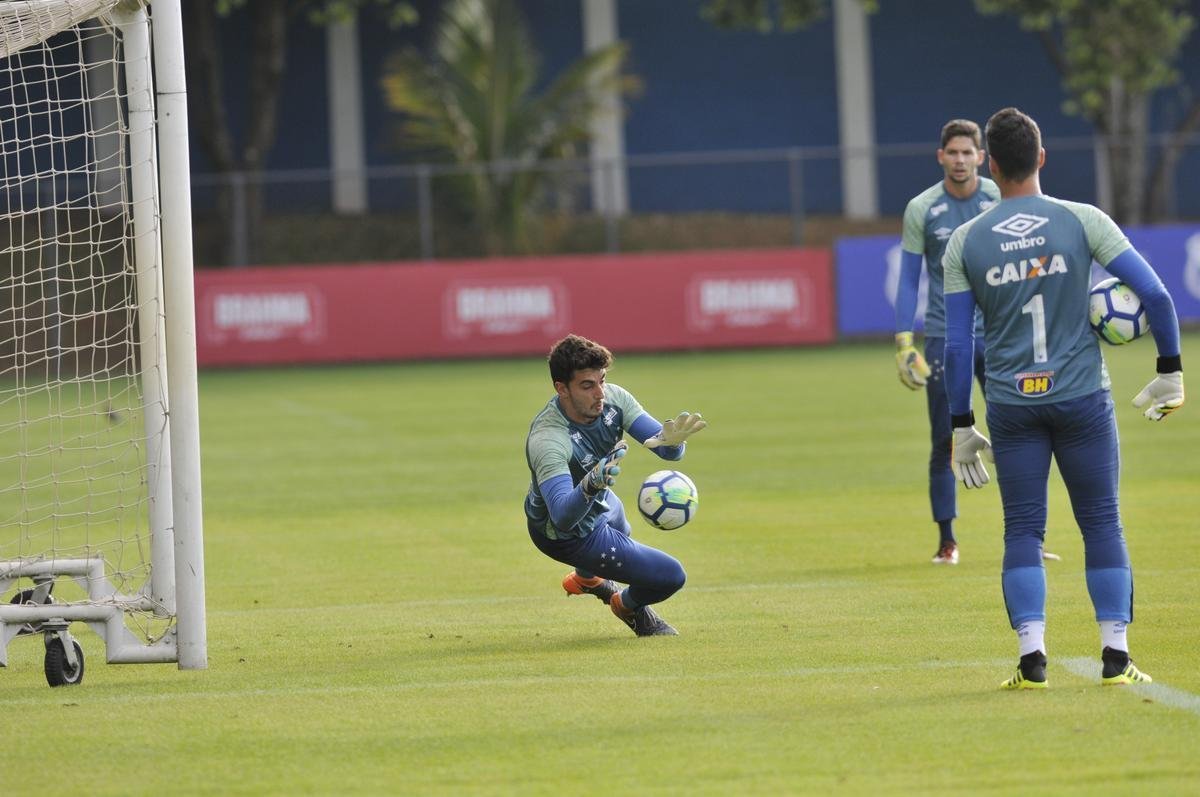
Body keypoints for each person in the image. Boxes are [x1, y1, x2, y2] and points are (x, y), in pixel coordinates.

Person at [941, 107, 1185, 689]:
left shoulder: (966, 241)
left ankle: (1032, 661)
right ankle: (1115, 657)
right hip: (1082, 399)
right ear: (1042, 157)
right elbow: (1155, 294)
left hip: (1012, 406)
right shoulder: (1083, 220)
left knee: (1022, 529)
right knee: (1102, 522)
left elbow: (955, 348)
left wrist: (960, 425)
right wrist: (1169, 371)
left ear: (991, 166)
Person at [524, 334, 707, 636]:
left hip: (598, 502)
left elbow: (663, 446)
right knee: (671, 576)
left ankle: (587, 579)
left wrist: (674, 445)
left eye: (602, 380)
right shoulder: (548, 440)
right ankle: (627, 605)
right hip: (566, 535)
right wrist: (591, 484)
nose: (600, 394)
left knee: (621, 524)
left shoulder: (614, 400)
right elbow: (562, 517)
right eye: (587, 385)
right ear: (562, 389)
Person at [894, 119, 1000, 565]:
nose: (960, 160)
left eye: (967, 153)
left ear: (980, 157)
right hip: (942, 335)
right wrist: (904, 343)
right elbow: (907, 280)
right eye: (952, 152)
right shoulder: (922, 208)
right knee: (944, 440)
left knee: (1019, 433)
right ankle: (947, 541)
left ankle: (1030, 534)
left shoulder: (998, 197)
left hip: (998, 333)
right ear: (941, 156)